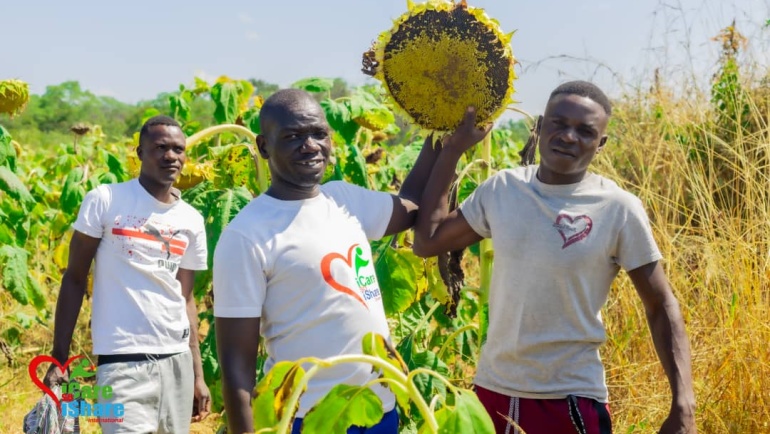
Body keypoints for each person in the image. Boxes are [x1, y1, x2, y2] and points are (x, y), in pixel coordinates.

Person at [412, 81, 697, 434]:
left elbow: (661, 304)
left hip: (569, 399)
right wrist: (453, 149)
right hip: (491, 394)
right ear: (541, 126)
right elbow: (428, 241)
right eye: (559, 124)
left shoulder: (618, 208)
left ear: (601, 143)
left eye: (585, 131)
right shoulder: (503, 189)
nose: (568, 137)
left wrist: (683, 404)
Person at [213, 89, 451, 434]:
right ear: (264, 147)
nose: (310, 145)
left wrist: (442, 136)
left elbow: (411, 203)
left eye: (318, 134)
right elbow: (237, 362)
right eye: (293, 136)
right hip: (307, 417)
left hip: (377, 407)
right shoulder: (247, 235)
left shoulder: (343, 200)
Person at [44, 115, 211, 433]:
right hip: (121, 362)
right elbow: (75, 278)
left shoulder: (192, 219)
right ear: (140, 152)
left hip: (176, 362)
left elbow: (185, 298)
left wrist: (198, 375)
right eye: (160, 147)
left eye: (178, 149)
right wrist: (59, 357)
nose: (171, 156)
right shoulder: (106, 200)